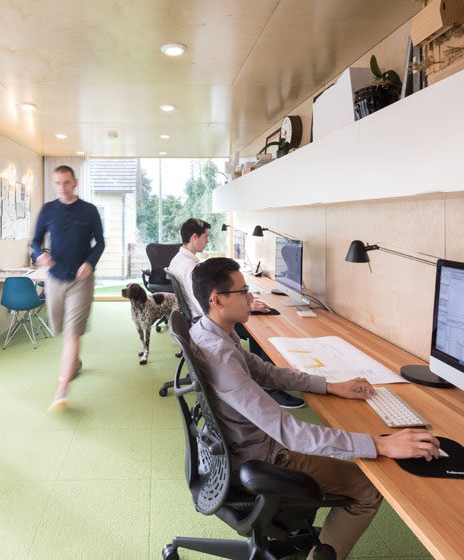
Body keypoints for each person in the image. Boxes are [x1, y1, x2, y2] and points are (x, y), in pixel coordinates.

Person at [189, 257, 441, 560]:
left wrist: (329, 385)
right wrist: (379, 444)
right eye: (243, 292)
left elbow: (265, 372)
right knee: (370, 490)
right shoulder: (221, 356)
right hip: (260, 453)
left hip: (233, 444)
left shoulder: (209, 330)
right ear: (217, 300)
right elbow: (288, 433)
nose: (251, 298)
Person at [169, 218, 306, 409]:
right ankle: (270, 389)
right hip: (203, 318)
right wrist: (246, 304)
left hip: (196, 318)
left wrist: (241, 297)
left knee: (257, 321)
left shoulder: (180, 258)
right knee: (259, 328)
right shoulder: (190, 267)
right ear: (194, 237)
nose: (207, 241)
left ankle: (265, 378)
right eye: (206, 237)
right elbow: (206, 305)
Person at [31, 165, 104, 412]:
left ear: (75, 182)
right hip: (54, 278)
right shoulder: (48, 210)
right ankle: (74, 362)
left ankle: (62, 389)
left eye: (66, 183)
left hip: (81, 280)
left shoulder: (89, 211)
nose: (62, 187)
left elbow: (100, 242)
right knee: (61, 330)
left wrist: (90, 263)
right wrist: (39, 255)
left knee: (73, 334)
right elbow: (35, 241)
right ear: (54, 184)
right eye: (58, 183)